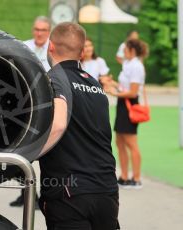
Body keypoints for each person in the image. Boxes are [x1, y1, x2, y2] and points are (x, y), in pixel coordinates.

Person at [39, 22, 119, 229]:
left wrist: (26, 156)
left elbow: (58, 125)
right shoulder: (95, 84)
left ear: (51, 46)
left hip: (69, 193)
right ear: (82, 52)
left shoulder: (54, 78)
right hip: (106, 189)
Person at [9, 16, 51, 208]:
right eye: (36, 29)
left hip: (46, 106)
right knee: (21, 150)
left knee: (44, 153)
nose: (39, 33)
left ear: (48, 31)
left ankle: (44, 195)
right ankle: (26, 193)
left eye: (43, 30)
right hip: (23, 107)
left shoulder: (53, 49)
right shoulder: (23, 46)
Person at [109, 39, 148, 189]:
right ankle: (124, 176)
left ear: (132, 50)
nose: (123, 51)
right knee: (120, 141)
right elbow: (124, 86)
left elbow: (132, 92)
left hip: (130, 104)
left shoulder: (137, 66)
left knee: (131, 142)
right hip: (123, 104)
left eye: (125, 49)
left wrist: (114, 93)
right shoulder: (128, 64)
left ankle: (136, 178)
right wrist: (113, 85)